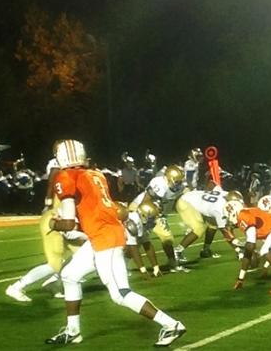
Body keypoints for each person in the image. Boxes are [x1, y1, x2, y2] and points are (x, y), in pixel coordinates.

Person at [45, 139, 185, 346]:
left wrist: (53, 224)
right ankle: (73, 330)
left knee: (120, 293)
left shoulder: (65, 176)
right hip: (102, 233)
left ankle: (171, 324)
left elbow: (67, 223)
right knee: (69, 275)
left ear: (63, 157)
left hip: (105, 238)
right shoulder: (95, 173)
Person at [174, 188, 245, 263]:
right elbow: (225, 232)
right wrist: (238, 248)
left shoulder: (229, 195)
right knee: (199, 229)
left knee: (213, 224)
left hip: (193, 197)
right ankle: (176, 252)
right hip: (185, 202)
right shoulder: (219, 209)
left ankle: (206, 249)